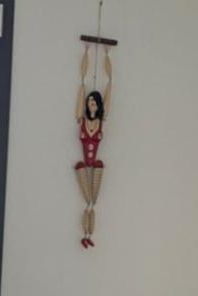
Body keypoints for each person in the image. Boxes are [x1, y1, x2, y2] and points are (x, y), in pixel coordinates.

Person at [75, 47, 112, 248]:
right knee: (88, 199)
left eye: (94, 102)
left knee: (92, 200)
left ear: (98, 105)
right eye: (89, 101)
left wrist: (106, 57)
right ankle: (86, 234)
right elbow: (81, 86)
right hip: (84, 165)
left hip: (95, 165)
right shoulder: (81, 119)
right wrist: (87, 53)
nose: (91, 104)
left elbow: (108, 94)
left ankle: (88, 234)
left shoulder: (101, 122)